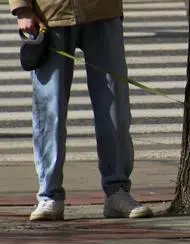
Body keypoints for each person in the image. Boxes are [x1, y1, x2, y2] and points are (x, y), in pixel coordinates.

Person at [9, 0, 153, 220]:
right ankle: (49, 195)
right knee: (50, 111)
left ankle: (117, 191)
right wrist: (22, 8)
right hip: (49, 12)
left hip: (102, 9)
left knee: (115, 109)